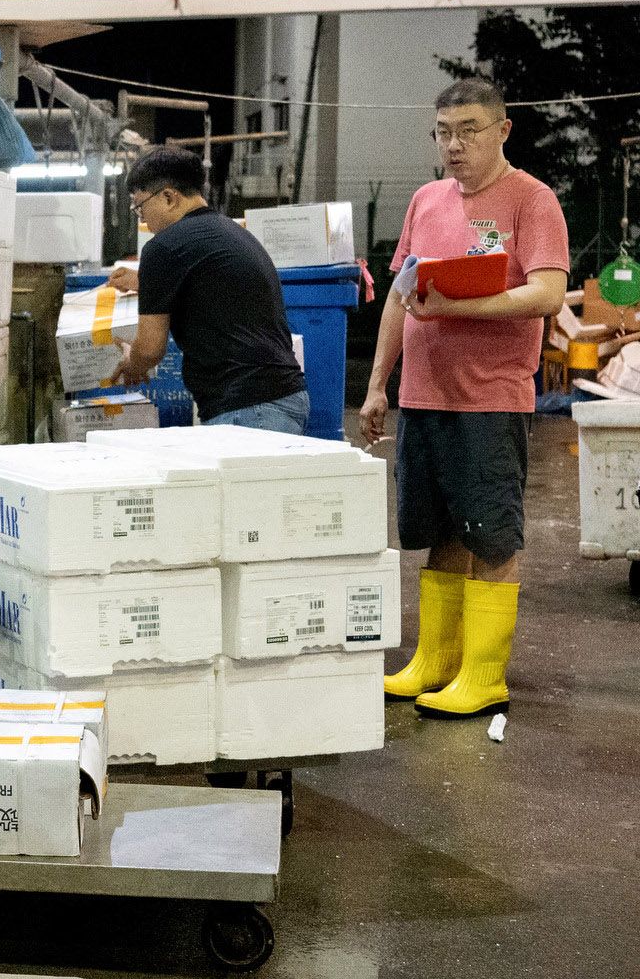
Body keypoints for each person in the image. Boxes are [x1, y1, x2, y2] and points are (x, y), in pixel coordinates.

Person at [361, 77, 567, 719]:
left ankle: (484, 676)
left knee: (492, 535)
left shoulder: (531, 201)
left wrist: (458, 306)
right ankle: (436, 660)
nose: (454, 145)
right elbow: (400, 295)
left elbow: (546, 294)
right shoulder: (425, 200)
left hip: (490, 398)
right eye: (444, 132)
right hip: (424, 396)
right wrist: (376, 385)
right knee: (436, 529)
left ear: (503, 129)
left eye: (469, 130)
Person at [107, 146, 311, 433]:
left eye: (140, 207)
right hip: (283, 397)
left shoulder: (163, 247)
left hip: (247, 408)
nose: (143, 219)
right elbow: (212, 290)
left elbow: (151, 349)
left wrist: (133, 362)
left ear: (168, 197)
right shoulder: (230, 232)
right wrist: (142, 281)